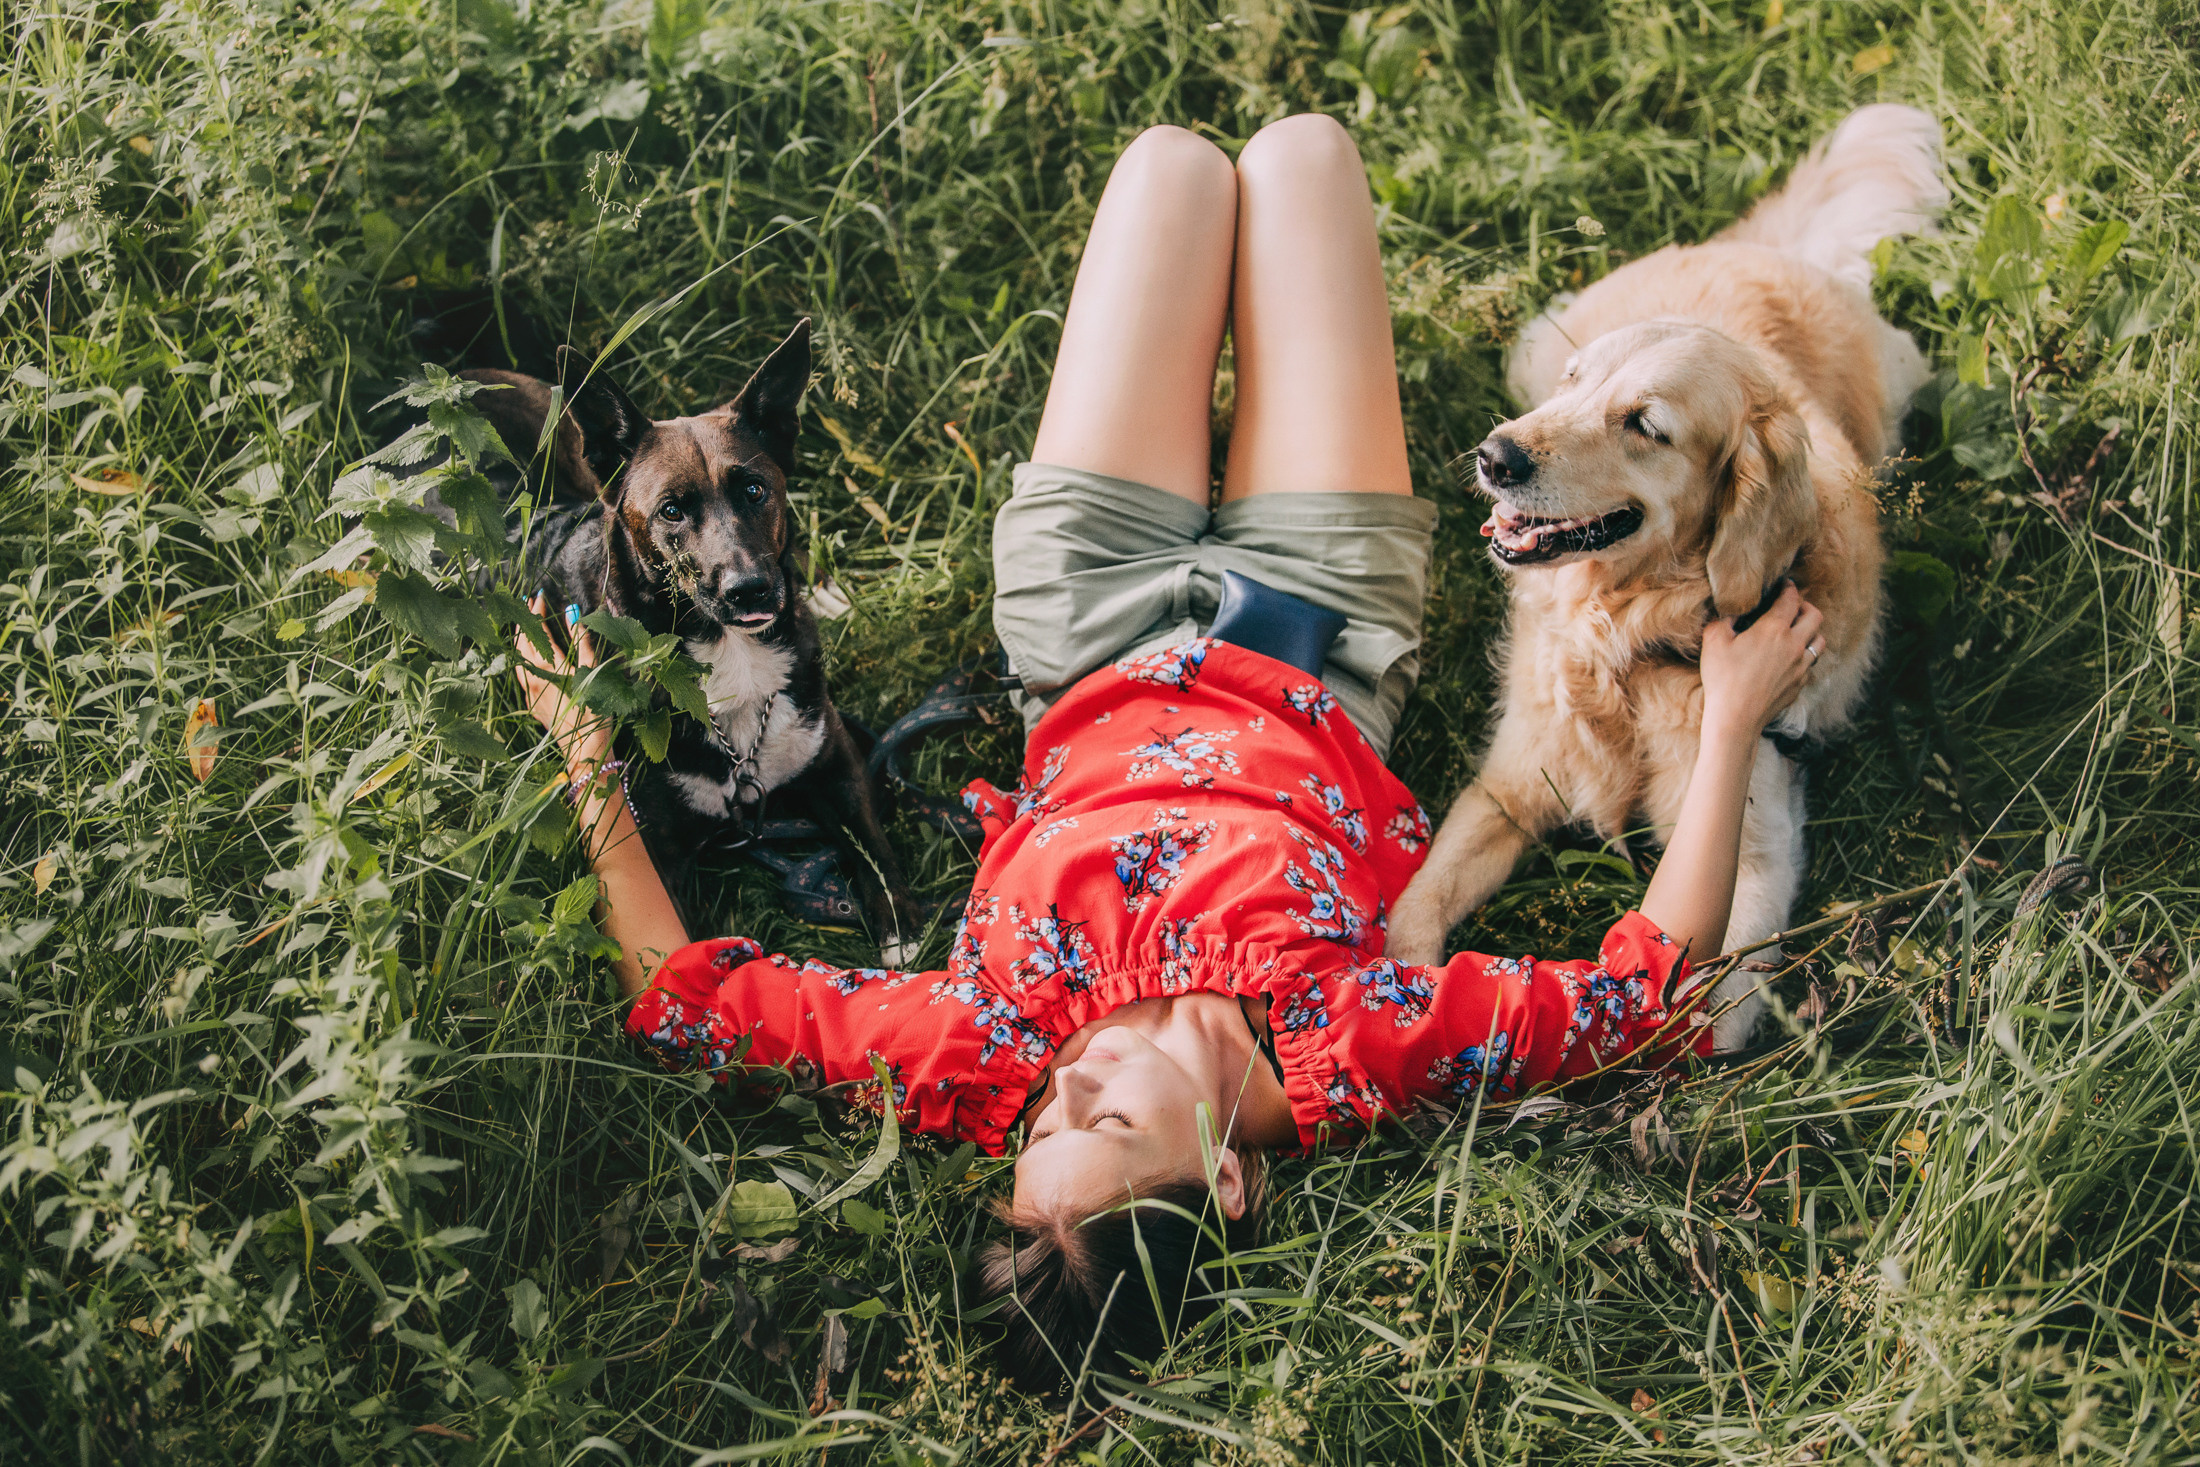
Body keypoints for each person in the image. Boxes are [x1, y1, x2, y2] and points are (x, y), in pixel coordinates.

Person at [515, 116, 1826, 1394]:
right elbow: (1647, 1005)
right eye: (1114, 1124)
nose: (1071, 1083)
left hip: (1087, 623)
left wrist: (587, 755)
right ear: (1230, 1176)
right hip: (1315, 621)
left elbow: (676, 997)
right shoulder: (1361, 1048)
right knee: (1304, 156)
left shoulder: (978, 1058)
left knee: (1173, 170)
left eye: (1043, 1132)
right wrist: (1725, 721)